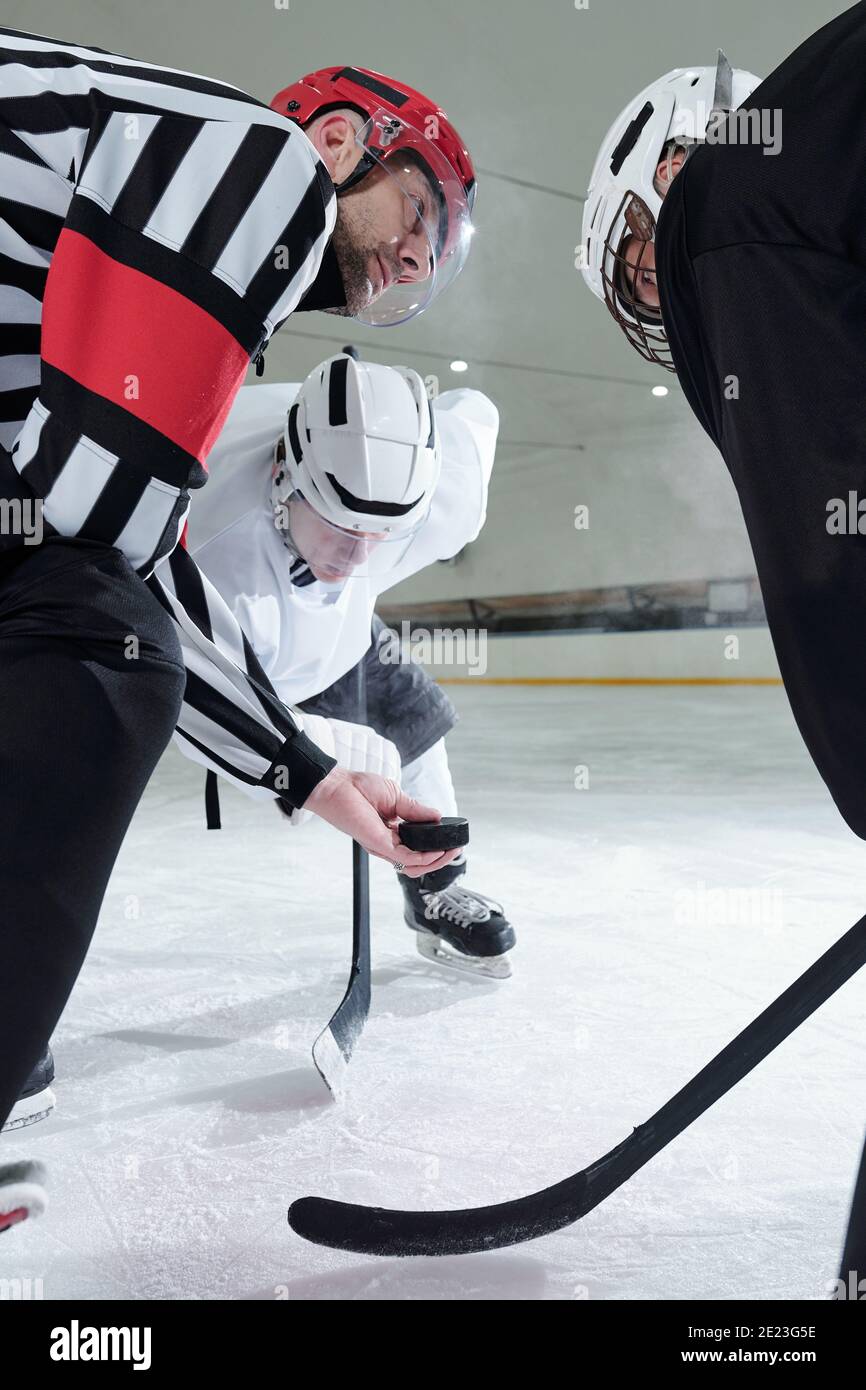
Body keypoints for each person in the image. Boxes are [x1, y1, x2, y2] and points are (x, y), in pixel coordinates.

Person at [0, 28, 476, 1230]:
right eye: (419, 201)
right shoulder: (250, 160)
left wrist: (312, 774)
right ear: (335, 140)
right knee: (95, 654)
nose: (419, 250)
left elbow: (95, 530)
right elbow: (106, 552)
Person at [579, 1, 866, 1290]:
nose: (660, 292)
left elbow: (827, 543)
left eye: (636, 264)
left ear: (661, 186)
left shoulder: (729, 218)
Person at [178, 352, 516, 976]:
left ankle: (435, 890)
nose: (356, 555)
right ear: (285, 476)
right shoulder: (210, 549)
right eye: (339, 525)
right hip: (254, 663)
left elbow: (474, 414)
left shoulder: (441, 498)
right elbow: (198, 709)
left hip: (348, 632)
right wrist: (321, 747)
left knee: (415, 727)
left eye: (378, 534)